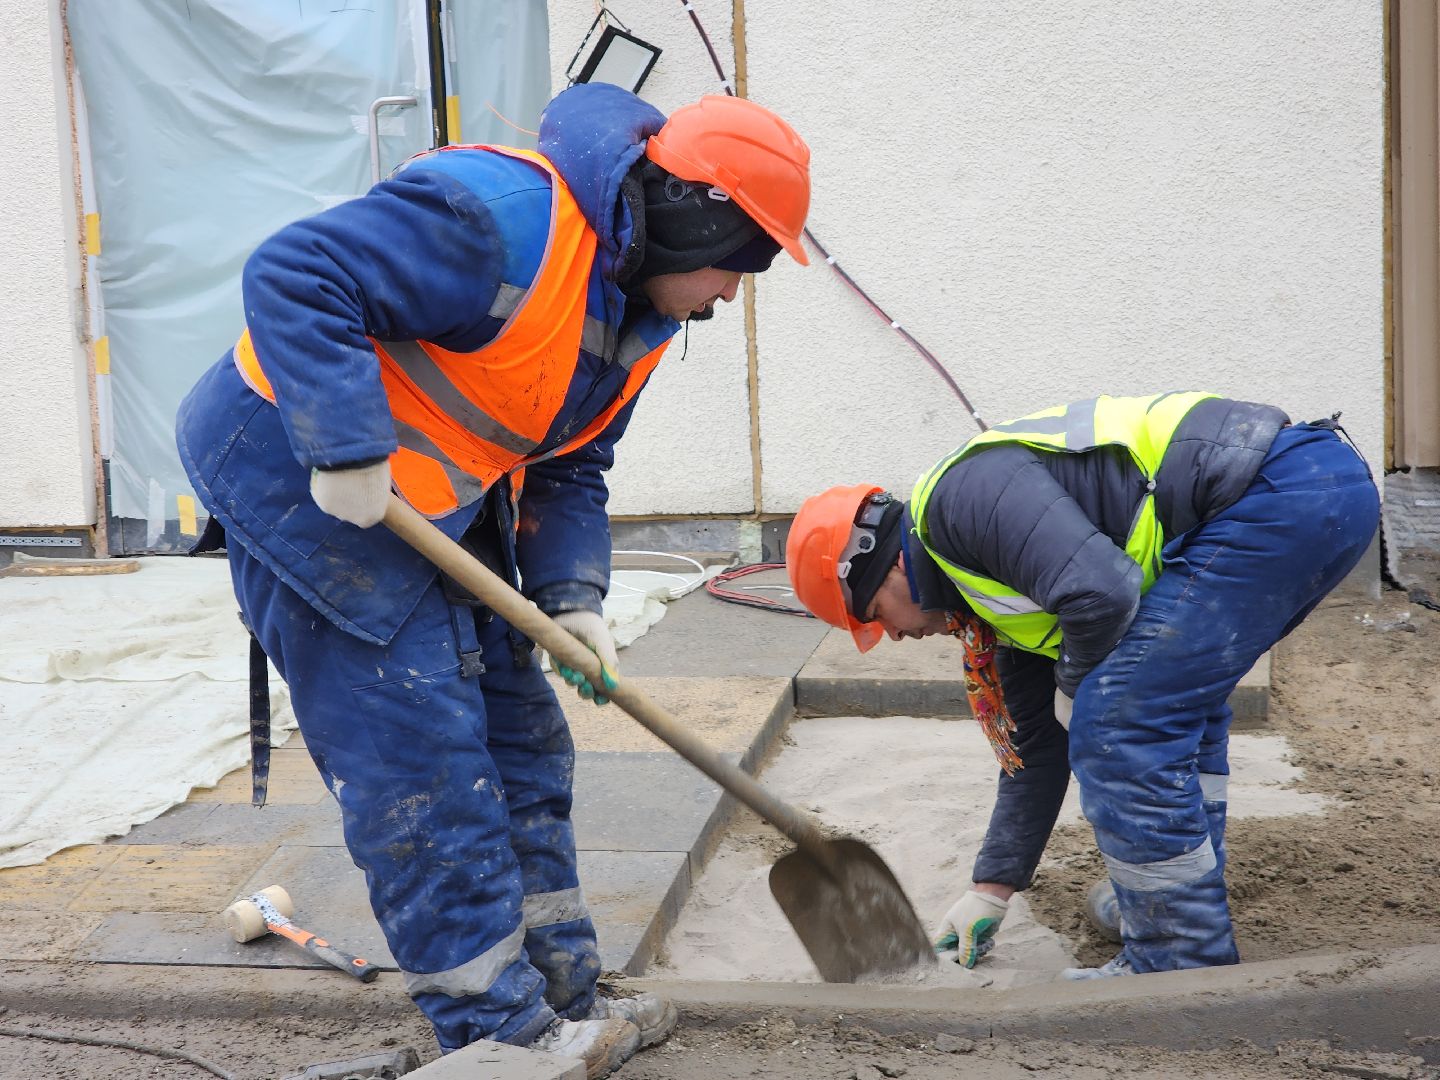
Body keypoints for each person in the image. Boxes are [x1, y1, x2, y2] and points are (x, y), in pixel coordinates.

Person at [175, 83, 809, 1075]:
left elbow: (570, 465)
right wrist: (342, 447)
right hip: (303, 481)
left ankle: (563, 996)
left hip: (438, 506)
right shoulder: (501, 225)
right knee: (424, 762)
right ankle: (498, 1036)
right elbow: (296, 271)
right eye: (737, 269)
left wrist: (575, 600)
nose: (730, 297)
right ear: (694, 220)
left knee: (522, 741)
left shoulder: (638, 320)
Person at [785, 392, 1378, 979]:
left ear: (882, 566)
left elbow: (1104, 591)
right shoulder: (988, 598)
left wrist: (1075, 686)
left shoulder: (959, 504)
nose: (888, 636)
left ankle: (1176, 957)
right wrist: (991, 890)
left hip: (1281, 492)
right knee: (1163, 710)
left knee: (1120, 719)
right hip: (1298, 498)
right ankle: (1168, 912)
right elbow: (1037, 751)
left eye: (873, 617)